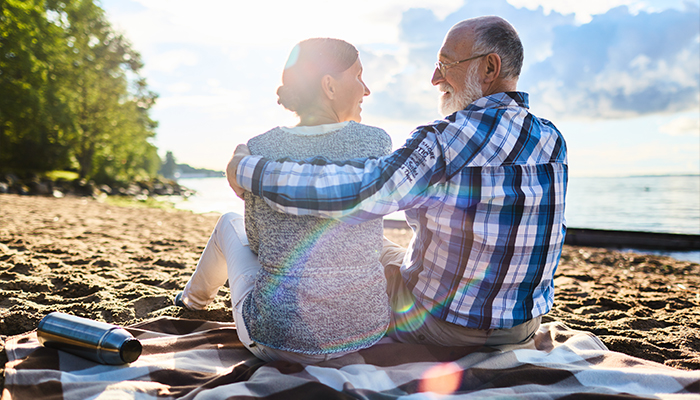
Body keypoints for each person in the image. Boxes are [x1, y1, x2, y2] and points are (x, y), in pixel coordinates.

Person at [228, 16, 568, 348]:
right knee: (381, 251)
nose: (436, 78)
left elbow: (355, 194)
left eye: (446, 64)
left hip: (444, 327)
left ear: (489, 69)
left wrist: (250, 170)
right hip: (523, 327)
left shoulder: (444, 141)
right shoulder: (553, 139)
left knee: (354, 257)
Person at [176, 38, 392, 363]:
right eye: (359, 75)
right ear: (329, 86)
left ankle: (191, 302)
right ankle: (191, 301)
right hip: (364, 334)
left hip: (277, 341)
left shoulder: (260, 148)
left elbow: (258, 243)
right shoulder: (377, 141)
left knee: (228, 223)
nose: (366, 89)